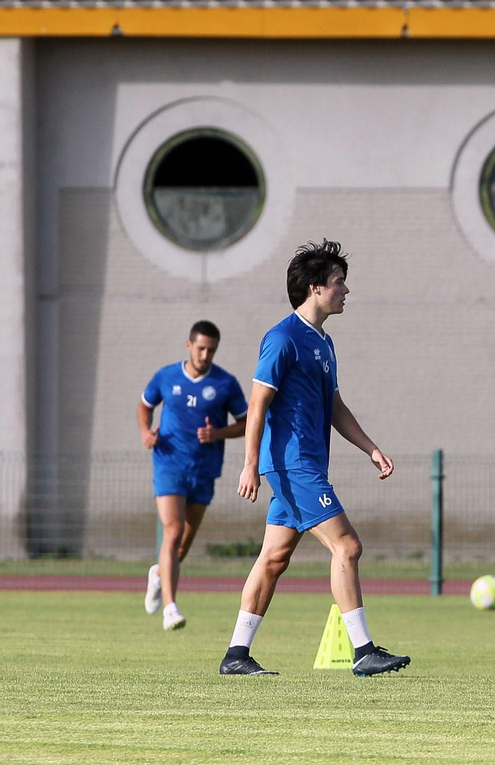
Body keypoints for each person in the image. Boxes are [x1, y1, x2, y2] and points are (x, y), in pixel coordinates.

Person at [219, 240, 410, 677]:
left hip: (303, 465)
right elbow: (258, 403)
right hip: (292, 464)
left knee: (273, 559)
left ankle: (236, 655)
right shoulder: (283, 338)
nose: (346, 291)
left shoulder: (323, 343)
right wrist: (250, 463)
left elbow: (335, 406)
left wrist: (372, 448)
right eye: (340, 283)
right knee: (347, 545)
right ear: (315, 287)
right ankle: (363, 651)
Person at [137, 320, 248, 631]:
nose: (205, 354)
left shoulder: (225, 383)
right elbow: (144, 407)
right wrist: (146, 432)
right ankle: (170, 609)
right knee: (171, 532)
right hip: (169, 463)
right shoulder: (166, 376)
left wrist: (218, 434)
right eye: (200, 348)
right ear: (189, 345)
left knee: (183, 544)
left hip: (204, 469)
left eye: (211, 350)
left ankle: (158, 574)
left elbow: (247, 422)